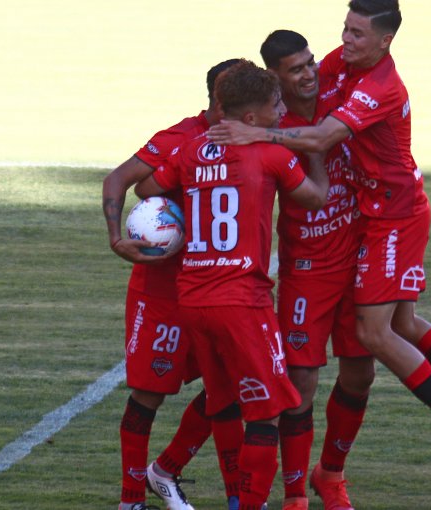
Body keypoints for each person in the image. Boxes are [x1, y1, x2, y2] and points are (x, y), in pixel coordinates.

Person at [207, 0, 431, 477]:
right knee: (403, 323)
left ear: (385, 41)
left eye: (357, 34)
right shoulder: (335, 67)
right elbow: (288, 85)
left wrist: (258, 138)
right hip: (364, 226)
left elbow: (323, 138)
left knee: (372, 334)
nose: (344, 43)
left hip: (394, 215)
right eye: (345, 30)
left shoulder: (379, 86)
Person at [134, 60, 330, 510]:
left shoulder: (190, 151)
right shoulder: (273, 154)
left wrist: (185, 207)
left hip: (193, 297)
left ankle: (171, 471)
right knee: (269, 412)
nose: (283, 108)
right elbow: (315, 198)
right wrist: (316, 152)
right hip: (241, 301)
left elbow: (148, 189)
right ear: (251, 118)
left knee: (223, 399)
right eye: (275, 102)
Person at [102, 58, 246, 510]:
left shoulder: (251, 136)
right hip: (162, 291)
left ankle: (164, 470)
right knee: (148, 393)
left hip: (216, 288)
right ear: (220, 99)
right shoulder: (178, 138)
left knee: (235, 384)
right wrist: (116, 239)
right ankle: (131, 501)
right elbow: (120, 179)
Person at [260, 30, 374, 510]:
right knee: (302, 382)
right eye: (295, 69)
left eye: (310, 64)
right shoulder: (268, 121)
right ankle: (293, 497)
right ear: (275, 77)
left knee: (360, 375)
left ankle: (330, 474)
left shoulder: (337, 94)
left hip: (356, 258)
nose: (309, 74)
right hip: (307, 268)